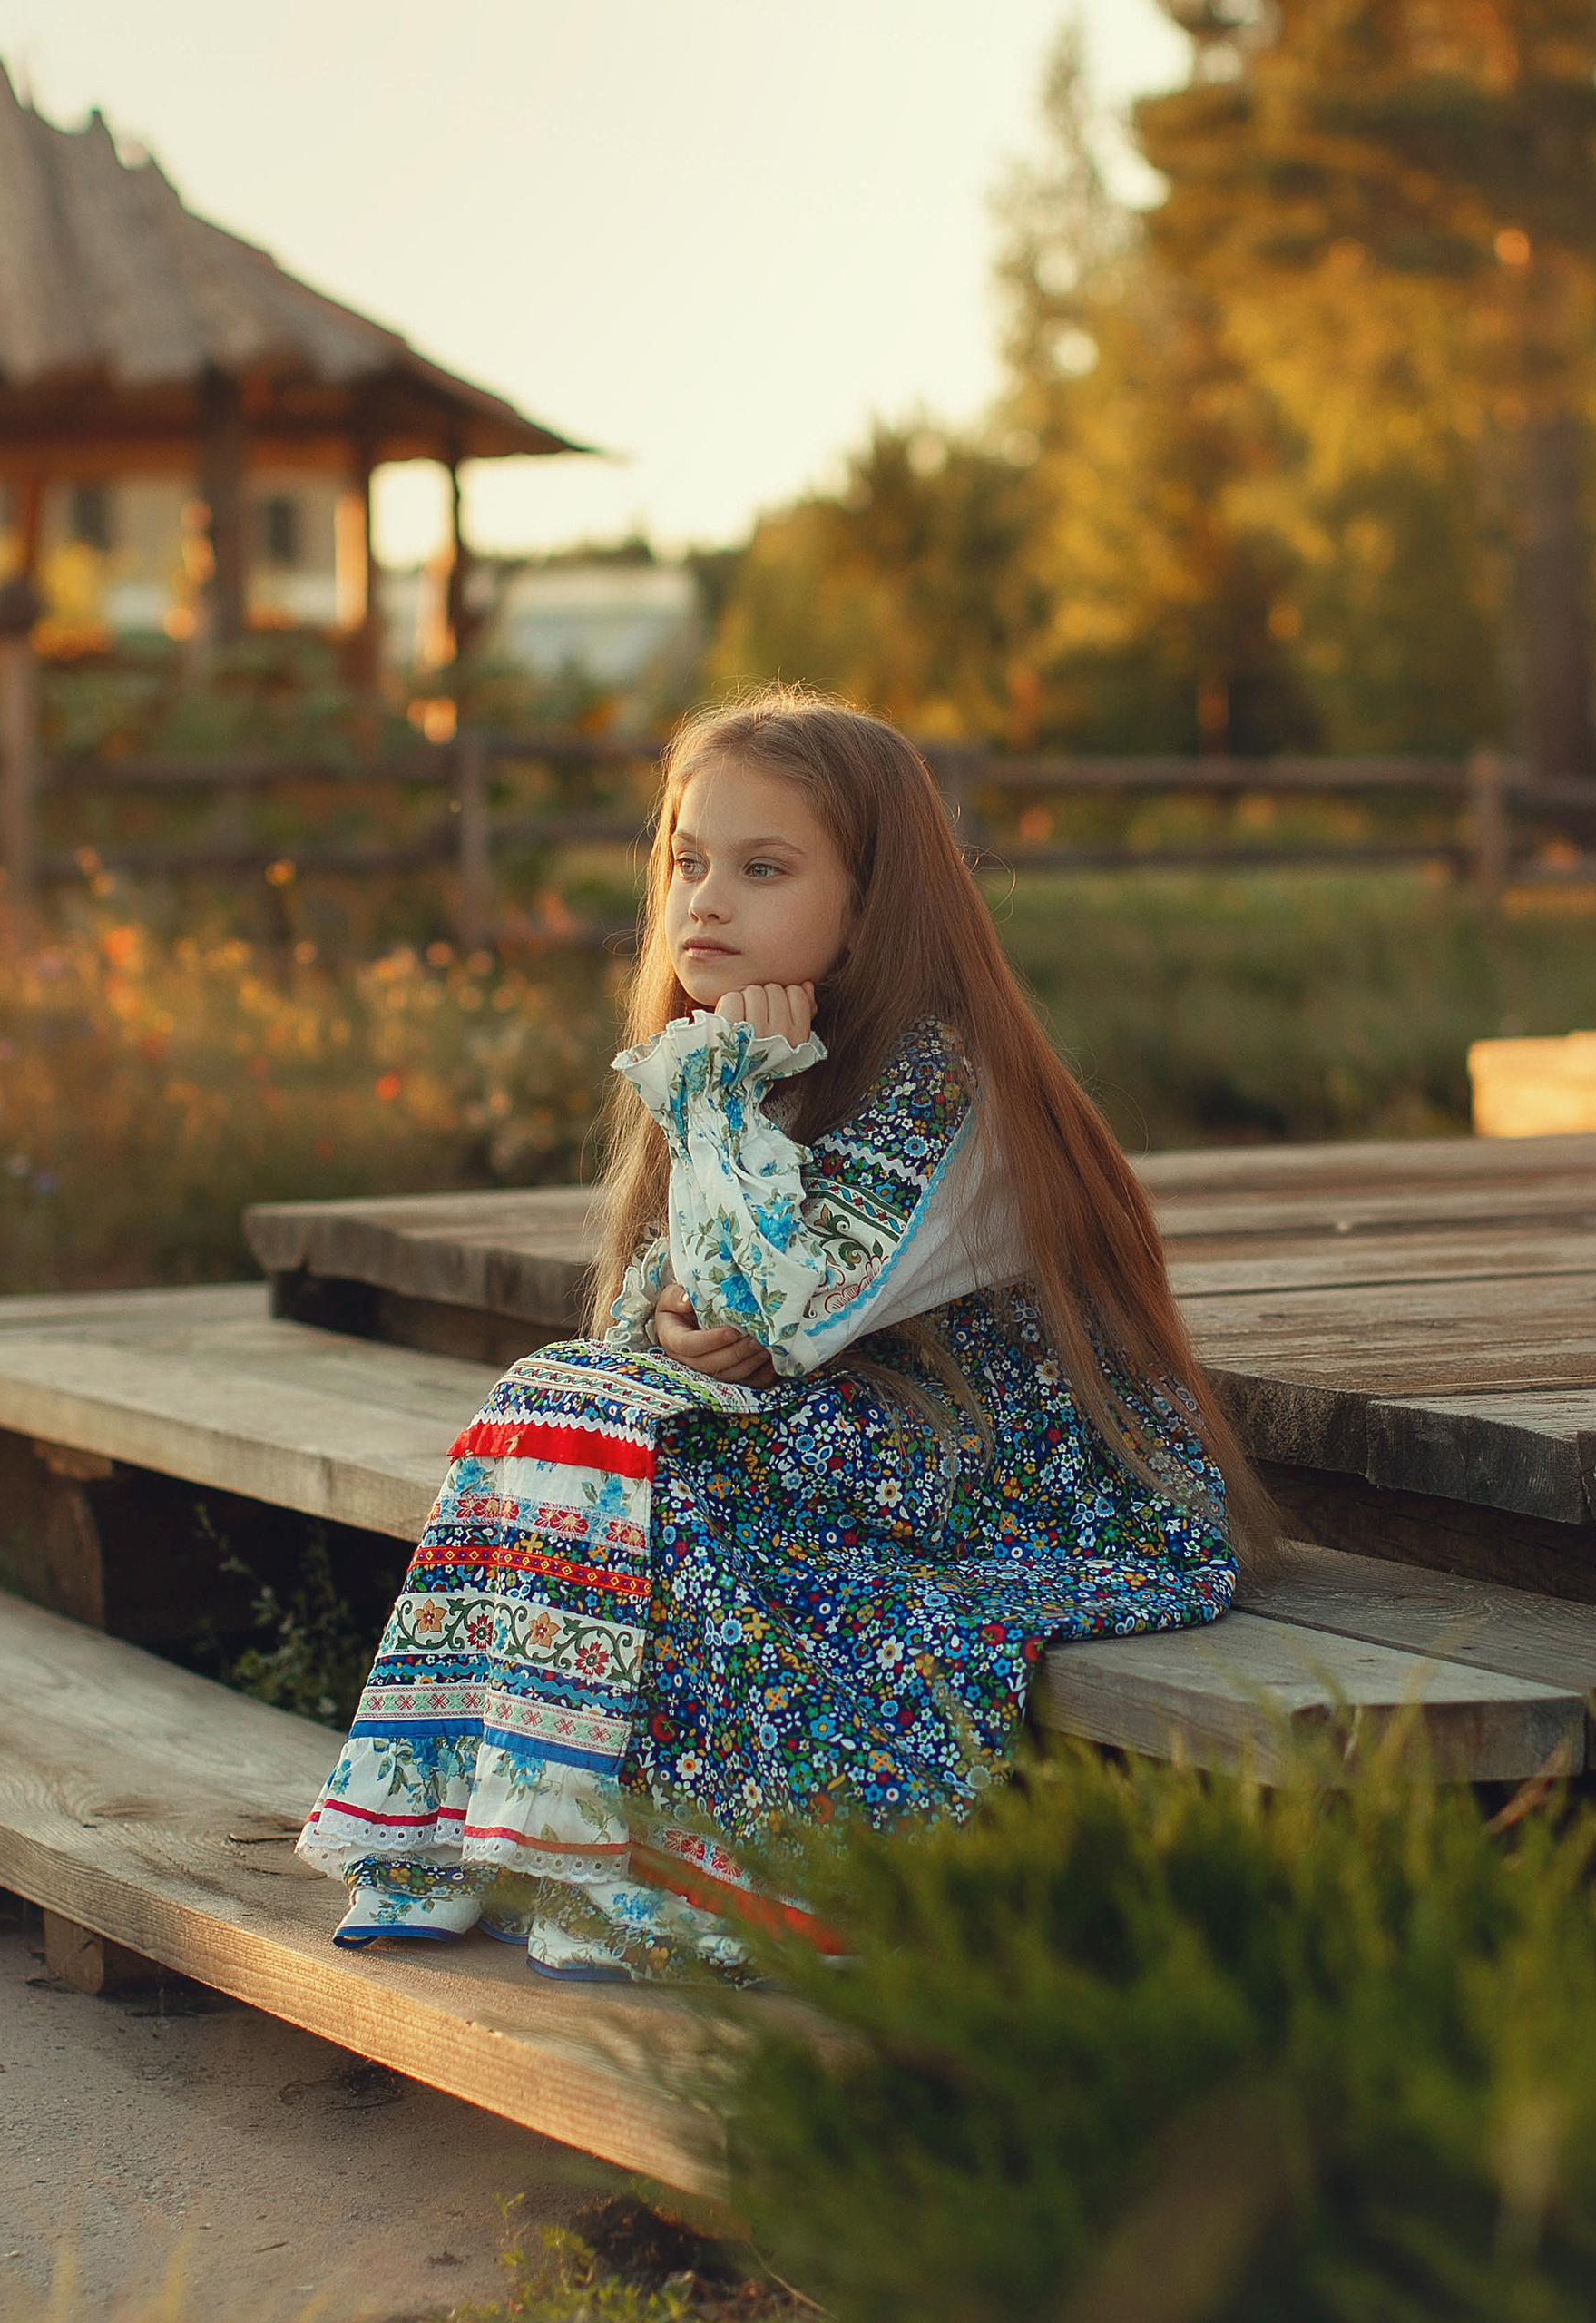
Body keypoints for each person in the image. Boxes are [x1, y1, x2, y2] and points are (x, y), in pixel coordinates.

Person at [296, 687, 1277, 1981]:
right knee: (557, 1401)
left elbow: (784, 1311)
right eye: (688, 862)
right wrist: (667, 1323)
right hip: (854, 1438)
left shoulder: (944, 1080)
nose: (706, 903)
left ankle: (734, 1872)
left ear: (870, 906)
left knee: (658, 1471)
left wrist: (722, 1108)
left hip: (1015, 1474)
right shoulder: (739, 1051)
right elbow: (668, 1315)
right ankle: (487, 1834)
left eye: (764, 870)